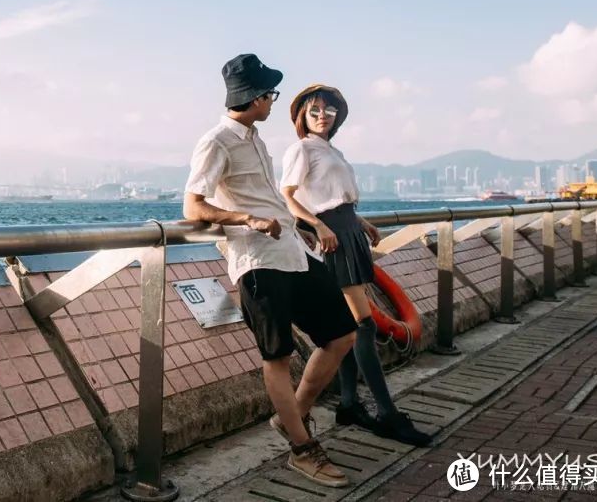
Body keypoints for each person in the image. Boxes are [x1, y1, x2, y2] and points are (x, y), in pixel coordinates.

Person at [183, 54, 359, 489]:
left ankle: (291, 417)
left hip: (294, 254)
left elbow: (272, 198)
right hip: (258, 263)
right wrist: (247, 219)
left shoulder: (257, 140)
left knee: (342, 334)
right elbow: (193, 206)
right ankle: (303, 450)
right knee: (276, 356)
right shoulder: (216, 141)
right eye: (270, 95)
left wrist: (303, 224)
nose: (273, 102)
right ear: (256, 97)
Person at [280, 84, 432, 447]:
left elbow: (336, 199)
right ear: (302, 115)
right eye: (314, 109)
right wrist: (318, 225)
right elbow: (287, 197)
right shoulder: (301, 149)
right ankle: (386, 413)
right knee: (361, 326)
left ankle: (349, 404)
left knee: (346, 325)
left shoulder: (331, 150)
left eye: (329, 110)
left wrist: (360, 222)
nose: (322, 115)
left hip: (349, 233)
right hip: (333, 239)